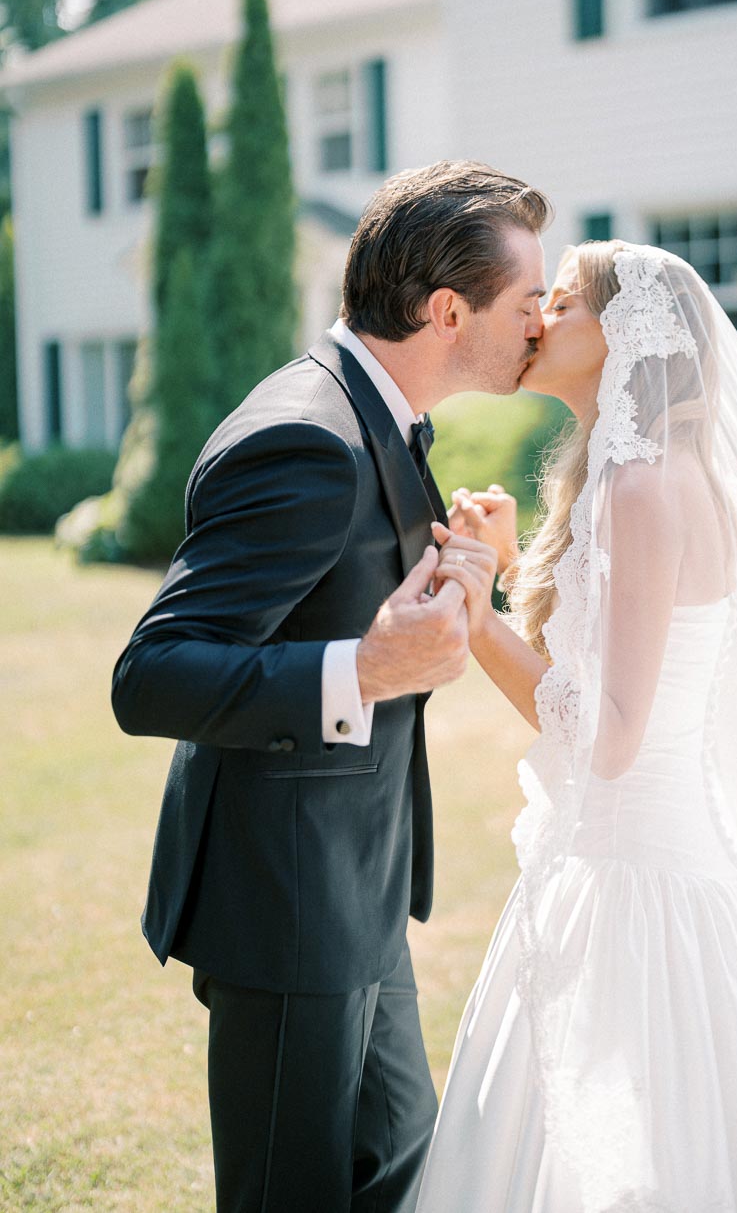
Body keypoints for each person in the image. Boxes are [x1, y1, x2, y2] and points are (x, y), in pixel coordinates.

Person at [419, 239, 737, 1212]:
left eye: (558, 300)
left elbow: (612, 734)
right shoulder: (648, 475)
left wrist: (474, 621)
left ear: (623, 333)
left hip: (637, 875)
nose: (535, 318)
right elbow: (609, 665)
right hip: (643, 844)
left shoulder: (642, 487)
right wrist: (508, 574)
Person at [110, 160, 550, 1213]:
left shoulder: (378, 410)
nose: (540, 323)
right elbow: (151, 677)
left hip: (362, 896)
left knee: (401, 1172)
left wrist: (465, 577)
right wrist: (361, 669)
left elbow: (340, 590)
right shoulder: (306, 434)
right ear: (449, 310)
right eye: (526, 302)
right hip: (288, 908)